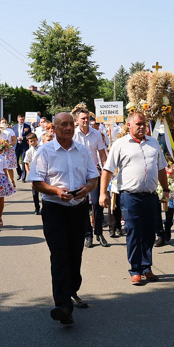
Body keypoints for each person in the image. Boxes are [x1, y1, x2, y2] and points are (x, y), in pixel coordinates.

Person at [28, 113, 99, 325]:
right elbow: (36, 182)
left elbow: (93, 177)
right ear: (54, 128)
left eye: (71, 124)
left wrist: (87, 188)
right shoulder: (45, 151)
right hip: (54, 208)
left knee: (75, 252)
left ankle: (72, 288)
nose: (69, 128)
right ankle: (62, 306)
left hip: (78, 208)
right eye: (64, 125)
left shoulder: (82, 150)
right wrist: (56, 191)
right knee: (59, 254)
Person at [100, 111, 170, 285]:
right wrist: (103, 193)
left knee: (148, 233)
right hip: (130, 196)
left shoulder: (153, 143)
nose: (142, 127)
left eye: (144, 124)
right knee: (134, 231)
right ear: (129, 125)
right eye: (138, 124)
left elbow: (161, 168)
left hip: (151, 196)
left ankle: (146, 267)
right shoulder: (120, 144)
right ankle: (135, 269)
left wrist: (166, 189)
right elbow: (108, 170)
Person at [72, 105, 107, 249]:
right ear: (77, 120)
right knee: (84, 204)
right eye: (83, 118)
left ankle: (99, 232)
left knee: (98, 205)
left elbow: (103, 155)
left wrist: (106, 171)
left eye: (88, 118)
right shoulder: (73, 135)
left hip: (94, 173)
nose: (86, 121)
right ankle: (88, 235)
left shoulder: (96, 134)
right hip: (79, 174)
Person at [23, 132, 42, 215]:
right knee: (35, 192)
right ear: (28, 142)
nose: (33, 143)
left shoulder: (42, 148)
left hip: (42, 172)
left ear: (37, 140)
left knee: (44, 192)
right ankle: (37, 208)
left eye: (34, 140)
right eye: (31, 141)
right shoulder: (29, 152)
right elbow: (26, 162)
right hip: (34, 173)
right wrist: (28, 173)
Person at [13, 114, 32, 182]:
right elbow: (12, 136)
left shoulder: (27, 126)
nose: (22, 121)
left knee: (24, 161)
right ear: (18, 119)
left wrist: (23, 138)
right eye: (20, 119)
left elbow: (30, 135)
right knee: (15, 161)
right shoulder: (14, 127)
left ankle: (23, 177)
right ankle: (19, 172)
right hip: (17, 145)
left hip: (24, 145)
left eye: (23, 119)